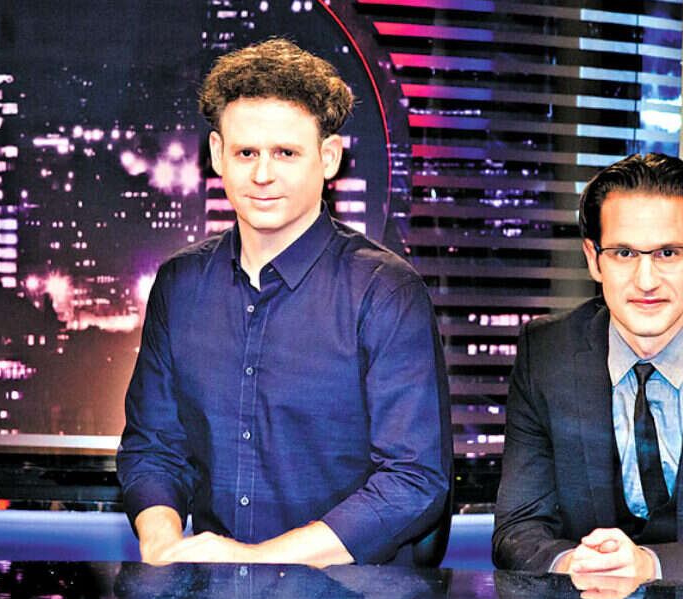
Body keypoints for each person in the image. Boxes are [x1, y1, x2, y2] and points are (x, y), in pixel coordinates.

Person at [117, 38, 451, 566]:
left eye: (286, 154)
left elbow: (413, 480)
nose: (262, 175)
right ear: (217, 155)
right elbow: (153, 448)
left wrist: (258, 560)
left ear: (329, 158)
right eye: (246, 153)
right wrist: (163, 546)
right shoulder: (180, 285)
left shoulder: (386, 291)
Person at [492, 153, 683, 588]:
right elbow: (517, 532)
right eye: (623, 253)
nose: (645, 280)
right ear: (593, 259)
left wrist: (648, 567)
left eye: (667, 253)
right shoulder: (546, 355)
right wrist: (575, 564)